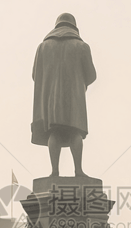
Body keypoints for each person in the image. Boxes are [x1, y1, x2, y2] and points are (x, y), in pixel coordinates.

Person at [31, 13, 97, 178]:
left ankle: (54, 171)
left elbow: (35, 75)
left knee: (54, 132)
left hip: (51, 100)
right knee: (76, 132)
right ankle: (78, 171)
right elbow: (91, 75)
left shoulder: (43, 47)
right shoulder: (82, 46)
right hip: (75, 98)